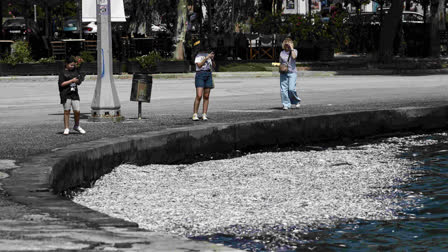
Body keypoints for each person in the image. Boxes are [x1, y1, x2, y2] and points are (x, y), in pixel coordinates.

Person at [58, 56, 86, 135]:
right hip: (66, 94)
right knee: (67, 111)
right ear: (66, 64)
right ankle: (66, 128)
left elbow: (78, 82)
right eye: (71, 65)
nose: (72, 66)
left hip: (74, 93)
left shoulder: (76, 71)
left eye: (73, 65)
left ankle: (76, 126)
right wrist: (71, 80)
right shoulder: (62, 72)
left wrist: (79, 80)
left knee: (77, 111)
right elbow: (62, 84)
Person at [192, 40, 215, 121]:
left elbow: (213, 66)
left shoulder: (208, 55)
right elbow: (199, 65)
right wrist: (206, 58)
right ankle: (195, 114)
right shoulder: (198, 55)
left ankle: (204, 114)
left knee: (206, 96)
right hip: (200, 75)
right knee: (199, 95)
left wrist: (212, 59)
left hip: (208, 74)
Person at [279, 38, 301, 110]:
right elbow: (280, 62)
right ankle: (286, 104)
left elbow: (294, 57)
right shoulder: (282, 53)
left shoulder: (294, 51)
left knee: (291, 89)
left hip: (292, 73)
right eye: (286, 44)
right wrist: (280, 67)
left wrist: (291, 48)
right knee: (283, 89)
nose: (287, 46)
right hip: (284, 73)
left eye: (289, 44)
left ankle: (296, 101)